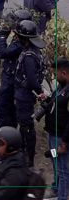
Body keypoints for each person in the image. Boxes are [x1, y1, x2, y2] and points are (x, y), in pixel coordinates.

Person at [13, 19, 46, 167]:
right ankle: (24, 152)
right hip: (24, 94)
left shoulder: (29, 57)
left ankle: (29, 157)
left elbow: (32, 80)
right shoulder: (33, 52)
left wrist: (40, 92)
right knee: (24, 125)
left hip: (25, 96)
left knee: (26, 126)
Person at [44, 57, 69, 200]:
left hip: (61, 138)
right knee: (56, 165)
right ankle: (56, 190)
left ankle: (62, 196)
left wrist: (64, 143)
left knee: (63, 170)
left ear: (64, 73)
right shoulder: (61, 88)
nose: (55, 76)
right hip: (53, 134)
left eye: (56, 74)